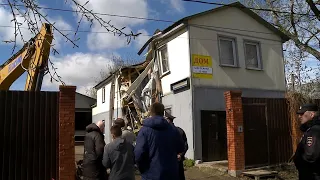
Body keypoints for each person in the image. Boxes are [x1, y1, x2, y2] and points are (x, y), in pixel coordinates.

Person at [134, 102, 184, 180]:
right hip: (171, 173)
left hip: (151, 174)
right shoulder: (172, 129)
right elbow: (181, 147)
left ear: (150, 112)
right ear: (163, 112)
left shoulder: (144, 130)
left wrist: (143, 169)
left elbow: (138, 154)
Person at [294, 104, 320, 180]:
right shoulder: (311, 129)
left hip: (312, 175)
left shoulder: (314, 131)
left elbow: (311, 155)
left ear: (312, 114)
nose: (299, 117)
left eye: (302, 114)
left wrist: (300, 162)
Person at [164, 111, 188, 180]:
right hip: (178, 159)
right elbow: (185, 146)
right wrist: (181, 155)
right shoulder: (180, 130)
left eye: (165, 119)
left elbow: (185, 145)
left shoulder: (165, 131)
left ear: (168, 120)